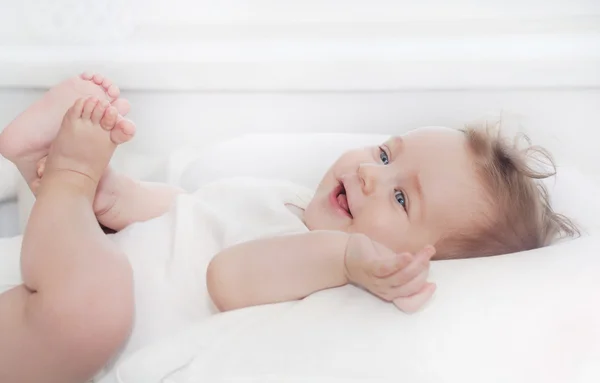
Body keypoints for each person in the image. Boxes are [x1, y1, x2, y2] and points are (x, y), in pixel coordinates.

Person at [0, 73, 577, 383]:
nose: (372, 176)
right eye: (383, 153)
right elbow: (193, 212)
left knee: (90, 310)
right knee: (98, 250)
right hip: (48, 293)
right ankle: (57, 175)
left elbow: (228, 276)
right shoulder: (289, 201)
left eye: (402, 197)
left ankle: (65, 177)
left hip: (63, 340)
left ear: (422, 260)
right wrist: (119, 195)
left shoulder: (328, 273)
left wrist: (344, 260)